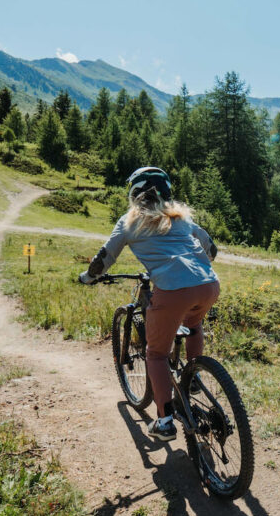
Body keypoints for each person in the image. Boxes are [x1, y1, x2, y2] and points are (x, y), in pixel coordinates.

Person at [79, 167, 220, 442]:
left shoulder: (129, 221)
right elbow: (211, 249)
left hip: (172, 290)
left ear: (135, 192)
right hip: (208, 284)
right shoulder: (181, 217)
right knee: (193, 326)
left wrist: (88, 277)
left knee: (155, 354)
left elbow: (105, 257)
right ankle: (193, 378)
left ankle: (165, 421)